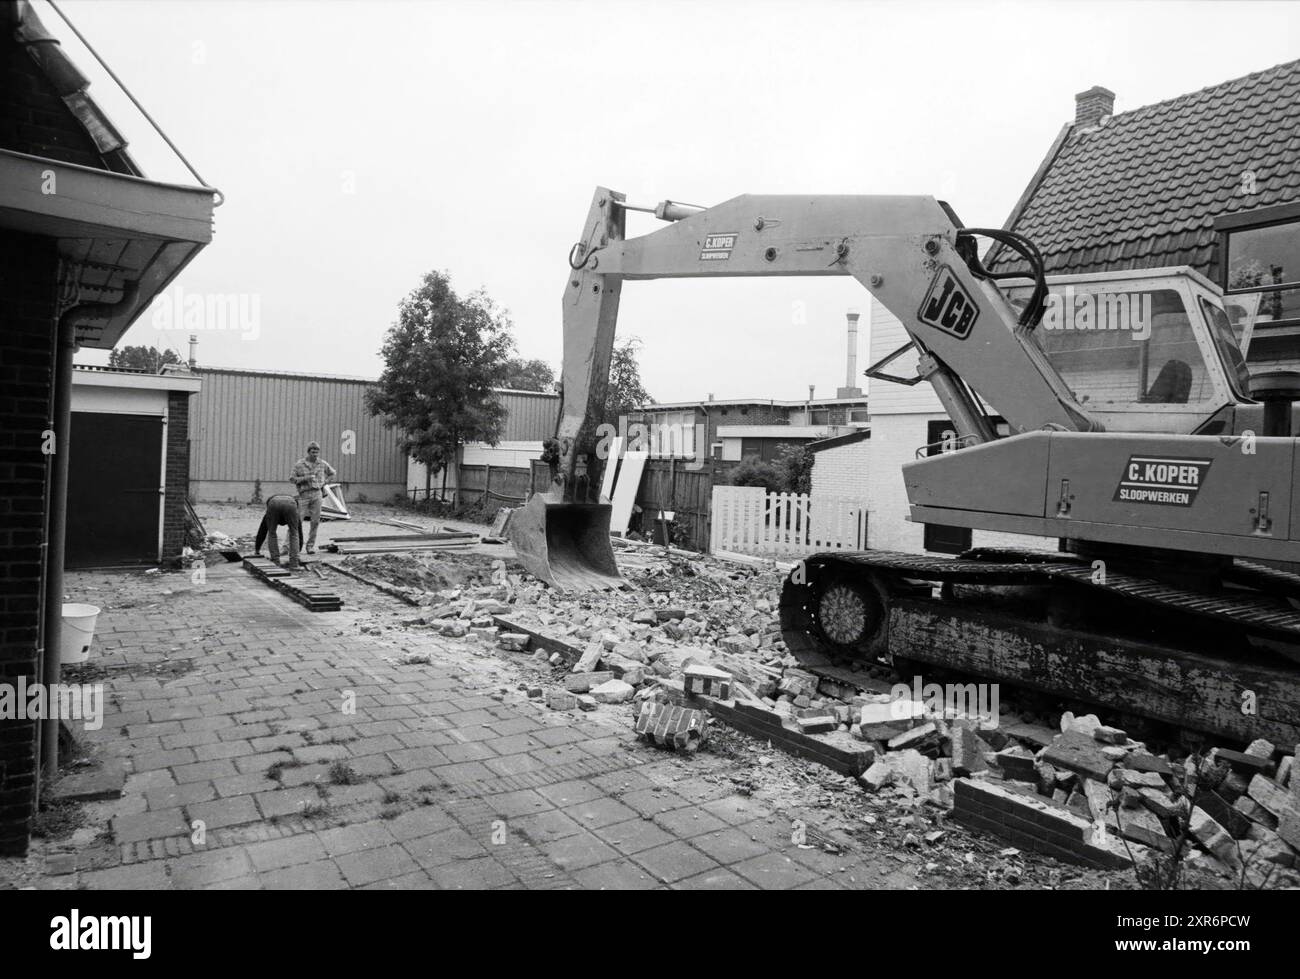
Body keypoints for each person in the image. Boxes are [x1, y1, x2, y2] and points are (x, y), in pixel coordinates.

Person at [291, 440, 337, 554]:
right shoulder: (299, 464)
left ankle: (310, 546)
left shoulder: (322, 464)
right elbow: (292, 479)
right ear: (308, 452)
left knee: (315, 521)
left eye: (317, 451)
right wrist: (305, 478)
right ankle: (290, 546)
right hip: (304, 495)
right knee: (297, 521)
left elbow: (333, 473)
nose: (315, 453)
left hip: (317, 494)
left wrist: (325, 482)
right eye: (313, 451)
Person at [253, 494, 304, 569]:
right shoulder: (295, 513)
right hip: (291, 504)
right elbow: (300, 534)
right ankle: (294, 564)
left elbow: (262, 532)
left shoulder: (268, 514)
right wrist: (298, 553)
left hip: (273, 504)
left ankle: (275, 562)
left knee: (272, 533)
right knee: (294, 533)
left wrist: (257, 550)